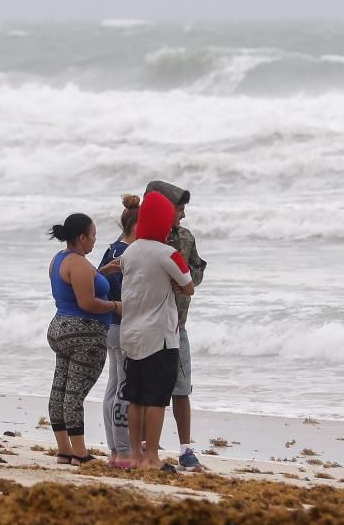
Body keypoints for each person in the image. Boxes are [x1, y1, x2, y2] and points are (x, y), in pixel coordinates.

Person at [119, 191, 195, 473]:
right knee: (156, 398)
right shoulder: (167, 253)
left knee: (135, 397)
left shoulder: (130, 252)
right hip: (160, 337)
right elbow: (188, 285)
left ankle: (136, 456)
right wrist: (175, 285)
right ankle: (152, 456)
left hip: (131, 333)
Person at [144, 180, 207, 471]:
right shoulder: (144, 240)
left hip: (178, 325)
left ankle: (185, 449)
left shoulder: (185, 237)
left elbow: (198, 268)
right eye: (179, 209)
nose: (183, 215)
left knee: (181, 388)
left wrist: (186, 279)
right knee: (148, 389)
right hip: (149, 324)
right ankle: (145, 446)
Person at [46, 213, 112, 465]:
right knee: (74, 393)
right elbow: (88, 302)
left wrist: (102, 272)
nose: (95, 240)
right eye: (93, 235)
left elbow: (72, 289)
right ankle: (80, 452)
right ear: (82, 237)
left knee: (60, 389)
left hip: (60, 328)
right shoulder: (80, 264)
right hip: (84, 334)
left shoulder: (58, 260)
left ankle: (64, 449)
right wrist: (116, 306)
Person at [97, 195, 139, 469]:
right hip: (122, 324)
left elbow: (97, 279)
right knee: (124, 386)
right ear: (136, 224)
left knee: (113, 384)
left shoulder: (111, 249)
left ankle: (114, 448)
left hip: (108, 323)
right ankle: (123, 451)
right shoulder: (129, 253)